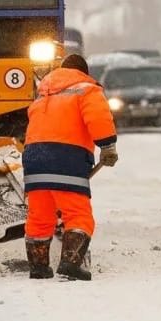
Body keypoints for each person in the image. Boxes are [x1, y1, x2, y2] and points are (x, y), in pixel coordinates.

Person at [20, 53, 118, 280]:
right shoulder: (87, 88)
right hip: (65, 156)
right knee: (77, 213)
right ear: (84, 72)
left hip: (34, 157)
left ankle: (39, 267)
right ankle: (71, 263)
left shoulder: (44, 92)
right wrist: (107, 146)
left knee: (40, 215)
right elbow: (98, 117)